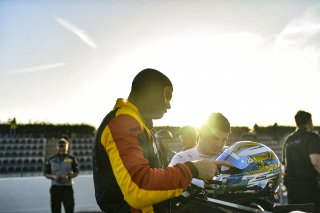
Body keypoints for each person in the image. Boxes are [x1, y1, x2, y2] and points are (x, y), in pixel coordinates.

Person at [92, 68, 232, 213]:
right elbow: (138, 188)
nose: (169, 105)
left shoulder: (138, 124)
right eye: (167, 96)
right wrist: (193, 169)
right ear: (149, 91)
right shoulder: (123, 123)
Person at [169, 113, 230, 188]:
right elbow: (170, 182)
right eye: (214, 138)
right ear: (201, 134)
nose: (219, 144)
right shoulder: (180, 158)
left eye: (224, 140)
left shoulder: (229, 154)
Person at [282, 110, 320, 212]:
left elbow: (285, 164)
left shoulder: (288, 139)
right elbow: (316, 162)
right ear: (309, 122)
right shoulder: (312, 137)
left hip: (292, 187)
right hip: (308, 187)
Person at [45, 138, 80, 213]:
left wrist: (69, 176)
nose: (61, 149)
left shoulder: (72, 159)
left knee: (69, 209)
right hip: (55, 188)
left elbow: (76, 172)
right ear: (57, 147)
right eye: (60, 147)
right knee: (55, 209)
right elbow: (46, 173)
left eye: (63, 147)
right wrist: (53, 177)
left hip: (67, 188)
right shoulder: (51, 159)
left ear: (66, 147)